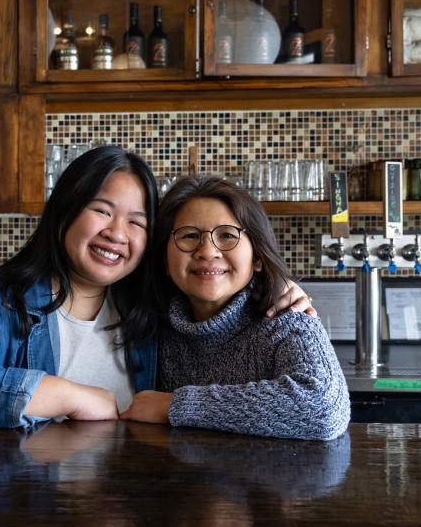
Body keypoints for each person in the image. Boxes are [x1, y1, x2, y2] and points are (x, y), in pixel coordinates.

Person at [0, 147, 315, 430]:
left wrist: (273, 284)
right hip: (39, 510)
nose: (117, 233)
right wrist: (70, 397)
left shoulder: (155, 306)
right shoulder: (7, 304)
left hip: (138, 517)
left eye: (137, 221)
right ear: (64, 213)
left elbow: (217, 293)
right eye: (101, 211)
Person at [120, 176, 350, 441]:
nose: (207, 251)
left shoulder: (288, 319)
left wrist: (175, 405)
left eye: (227, 235)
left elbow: (323, 408)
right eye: (189, 236)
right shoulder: (152, 327)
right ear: (165, 262)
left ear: (258, 258)